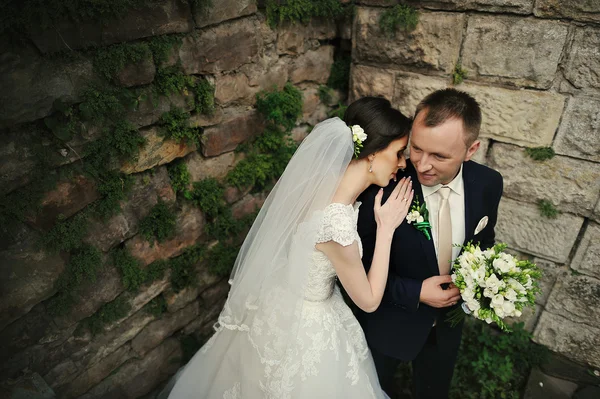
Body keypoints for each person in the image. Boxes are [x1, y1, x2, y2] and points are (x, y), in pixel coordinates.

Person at [159, 97, 414, 398]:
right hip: (307, 327)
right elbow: (369, 301)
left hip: (278, 304)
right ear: (371, 154)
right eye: (398, 153)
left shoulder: (318, 183)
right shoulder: (336, 226)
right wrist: (386, 230)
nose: (403, 163)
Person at [357, 89, 503, 399]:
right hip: (387, 327)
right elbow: (356, 268)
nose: (422, 165)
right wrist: (416, 292)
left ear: (471, 149)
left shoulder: (489, 184)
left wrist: (484, 284)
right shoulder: (384, 185)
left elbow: (483, 243)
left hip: (446, 330)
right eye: (417, 149)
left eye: (439, 156)